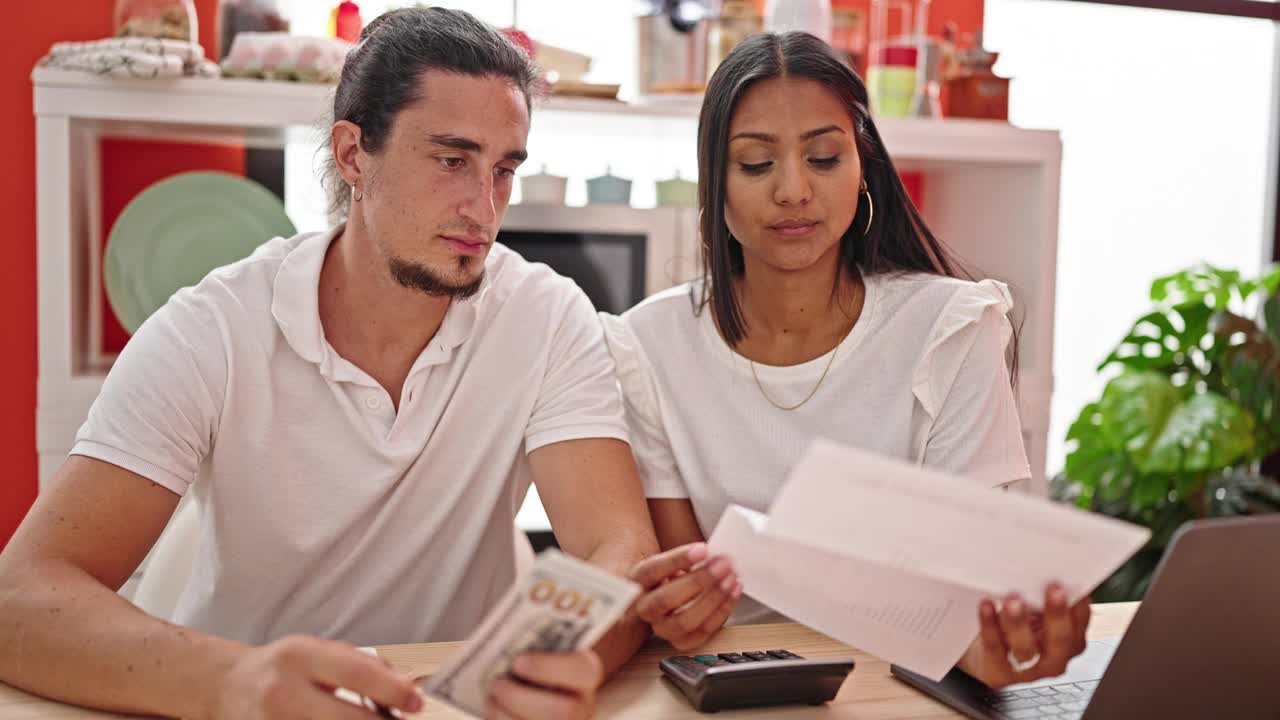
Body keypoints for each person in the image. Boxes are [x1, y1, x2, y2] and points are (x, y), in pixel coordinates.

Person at [0, 8, 658, 719]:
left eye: (503, 170)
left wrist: (575, 658)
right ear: (352, 156)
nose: (484, 207)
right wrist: (235, 681)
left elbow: (616, 545)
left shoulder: (546, 314)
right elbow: (20, 600)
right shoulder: (212, 329)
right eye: (451, 160)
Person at [614, 32, 1090, 689]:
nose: (793, 190)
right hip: (731, 684)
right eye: (755, 165)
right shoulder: (649, 343)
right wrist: (676, 605)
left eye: (824, 157)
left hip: (905, 683)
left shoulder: (951, 328)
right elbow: (683, 592)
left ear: (861, 166)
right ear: (714, 185)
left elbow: (972, 593)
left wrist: (1007, 644)